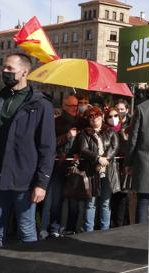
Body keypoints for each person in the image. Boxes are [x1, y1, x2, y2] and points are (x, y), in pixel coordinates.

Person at [0, 53, 56, 248]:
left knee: (26, 231)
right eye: (4, 68)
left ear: (24, 71)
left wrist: (41, 183)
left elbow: (47, 147)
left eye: (10, 69)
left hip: (24, 180)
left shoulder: (41, 104)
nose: (4, 71)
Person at [40, 95, 82, 238]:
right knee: (56, 199)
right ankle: (54, 228)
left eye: (76, 105)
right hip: (59, 164)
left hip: (75, 166)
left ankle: (71, 228)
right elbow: (51, 143)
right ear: (64, 106)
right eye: (71, 105)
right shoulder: (56, 122)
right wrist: (67, 136)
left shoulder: (81, 122)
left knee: (74, 200)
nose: (75, 108)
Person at [76, 107, 120, 232]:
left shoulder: (110, 131)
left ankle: (104, 231)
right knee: (91, 203)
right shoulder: (84, 133)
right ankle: (89, 231)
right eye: (91, 116)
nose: (94, 118)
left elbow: (115, 146)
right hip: (91, 171)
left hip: (108, 171)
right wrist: (97, 158)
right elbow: (83, 150)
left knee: (106, 203)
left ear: (101, 116)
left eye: (97, 115)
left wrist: (105, 159)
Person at [125, 96, 149, 224]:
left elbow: (133, 139)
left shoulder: (142, 108)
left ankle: (140, 235)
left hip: (144, 163)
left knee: (143, 200)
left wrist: (128, 162)